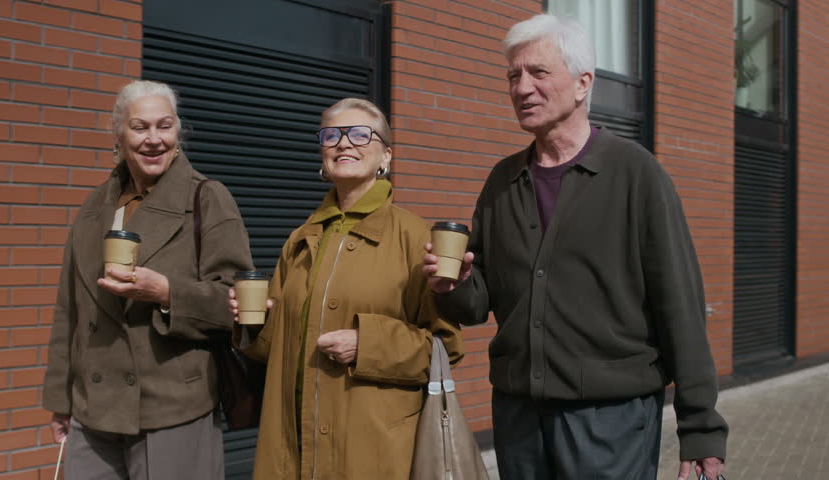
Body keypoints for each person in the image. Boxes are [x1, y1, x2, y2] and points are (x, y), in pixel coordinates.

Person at [422, 14, 728, 480]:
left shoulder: (636, 175)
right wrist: (455, 285)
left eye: (538, 73)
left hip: (610, 422)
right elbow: (478, 303)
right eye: (513, 75)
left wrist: (701, 427)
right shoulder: (502, 181)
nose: (522, 88)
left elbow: (680, 307)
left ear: (583, 83)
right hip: (519, 418)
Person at [229, 98, 464, 479]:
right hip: (292, 448)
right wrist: (252, 323)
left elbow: (445, 347)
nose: (343, 143)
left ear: (385, 155)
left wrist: (367, 343)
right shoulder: (299, 240)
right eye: (331, 135)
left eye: (359, 134)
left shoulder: (414, 236)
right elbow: (273, 348)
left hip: (372, 453)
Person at [42, 80, 253, 479]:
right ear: (118, 134)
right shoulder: (94, 205)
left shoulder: (207, 198)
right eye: (140, 127)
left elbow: (237, 302)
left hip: (173, 407)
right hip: (93, 408)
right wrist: (61, 399)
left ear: (178, 133)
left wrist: (167, 292)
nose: (154, 139)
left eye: (165, 126)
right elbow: (69, 308)